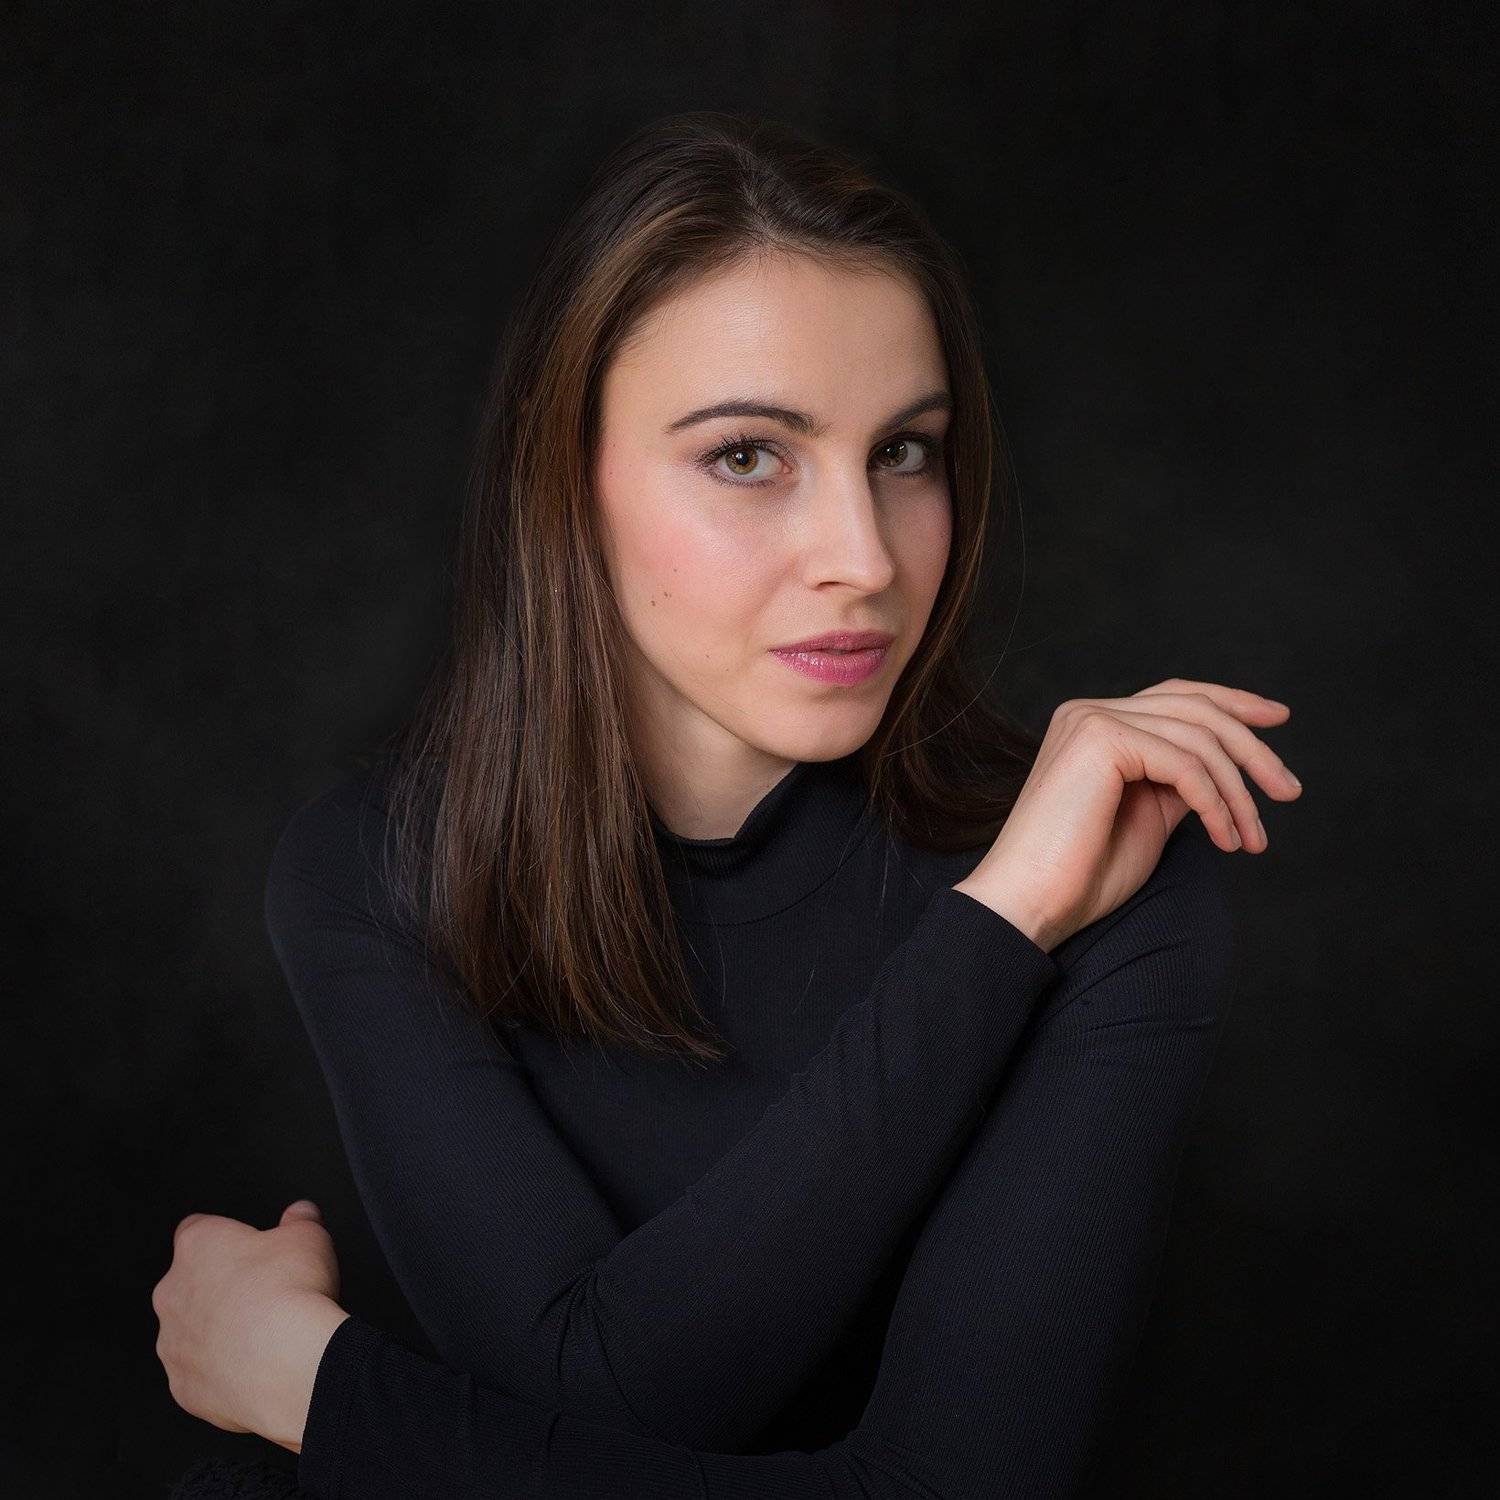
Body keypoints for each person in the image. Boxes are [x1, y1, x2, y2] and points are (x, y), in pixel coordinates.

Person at [156, 109, 1301, 1498]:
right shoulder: (381, 869)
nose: (864, 558)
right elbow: (600, 1398)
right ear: (565, 479)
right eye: (749, 455)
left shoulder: (1107, 862)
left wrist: (315, 1388)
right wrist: (995, 938)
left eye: (904, 452)